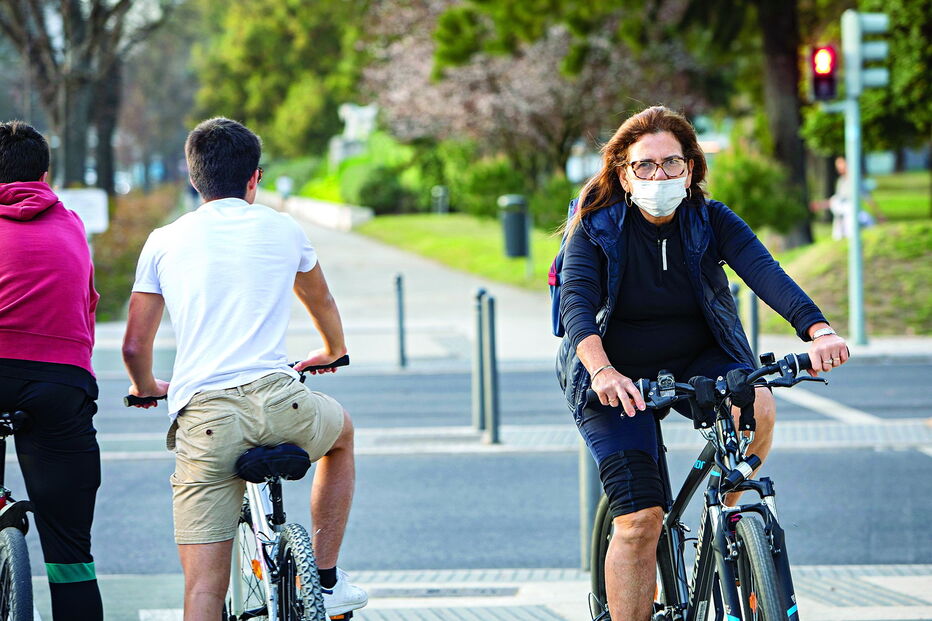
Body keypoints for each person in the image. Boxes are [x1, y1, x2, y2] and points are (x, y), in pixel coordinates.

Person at [556, 106, 850, 620]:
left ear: (690, 169)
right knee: (641, 521)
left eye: (672, 163)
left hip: (700, 356)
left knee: (757, 400)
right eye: (645, 166)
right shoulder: (595, 227)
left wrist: (817, 329)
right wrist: (602, 372)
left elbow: (766, 272)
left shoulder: (711, 220)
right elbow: (577, 305)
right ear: (623, 174)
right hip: (615, 374)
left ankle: (733, 524)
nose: (660, 175)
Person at [122, 117, 367, 620]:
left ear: (194, 179)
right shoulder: (283, 226)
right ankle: (325, 578)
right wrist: (332, 350)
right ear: (254, 178)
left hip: (207, 421)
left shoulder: (164, 239)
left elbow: (132, 345)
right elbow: (320, 300)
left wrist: (148, 387)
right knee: (342, 434)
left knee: (204, 593)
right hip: (283, 403)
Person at [0, 121, 104, 620]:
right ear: (44, 174)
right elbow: (86, 310)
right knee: (71, 555)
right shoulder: (70, 224)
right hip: (60, 381)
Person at [812, 156, 885, 239]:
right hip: (842, 215)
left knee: (867, 225)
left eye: (841, 165)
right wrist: (821, 205)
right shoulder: (841, 181)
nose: (839, 169)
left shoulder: (855, 180)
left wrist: (879, 214)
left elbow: (867, 197)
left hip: (853, 212)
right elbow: (837, 200)